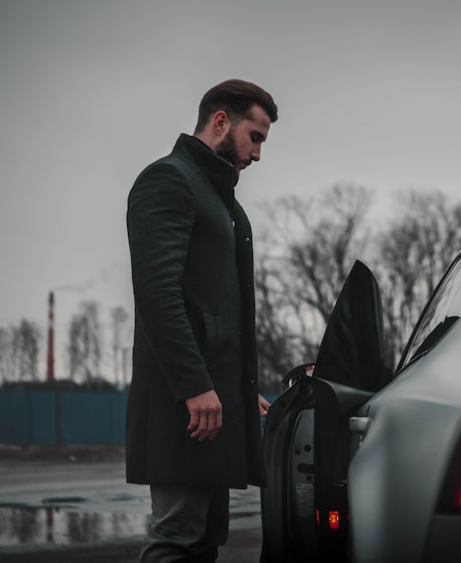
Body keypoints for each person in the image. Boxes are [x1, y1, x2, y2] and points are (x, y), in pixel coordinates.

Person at [125, 79, 277, 562]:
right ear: (220, 122)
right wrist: (194, 385)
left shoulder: (226, 205)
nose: (257, 154)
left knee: (206, 542)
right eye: (255, 137)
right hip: (185, 406)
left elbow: (214, 310)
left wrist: (237, 384)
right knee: (177, 539)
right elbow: (158, 293)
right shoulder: (169, 180)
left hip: (214, 403)